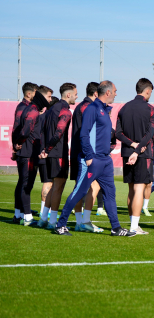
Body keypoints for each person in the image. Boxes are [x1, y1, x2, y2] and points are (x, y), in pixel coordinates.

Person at [54, 80, 134, 236]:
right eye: (115, 91)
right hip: (92, 160)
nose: (117, 94)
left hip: (105, 160)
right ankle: (60, 225)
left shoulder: (103, 110)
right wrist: (89, 156)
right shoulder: (92, 108)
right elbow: (84, 133)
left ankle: (116, 228)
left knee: (110, 193)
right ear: (108, 92)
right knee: (79, 191)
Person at [115, 78, 154, 235]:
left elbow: (118, 133)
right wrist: (138, 148)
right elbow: (150, 133)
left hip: (127, 153)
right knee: (139, 189)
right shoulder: (150, 109)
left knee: (131, 190)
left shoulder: (123, 108)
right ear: (147, 91)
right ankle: (134, 226)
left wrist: (132, 145)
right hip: (142, 154)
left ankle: (132, 224)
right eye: (151, 92)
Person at [38, 83, 76, 229]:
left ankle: (43, 218)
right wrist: (47, 149)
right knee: (58, 188)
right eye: (75, 93)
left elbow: (43, 131)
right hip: (57, 153)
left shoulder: (51, 109)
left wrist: (45, 150)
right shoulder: (65, 110)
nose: (76, 96)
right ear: (68, 95)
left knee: (53, 186)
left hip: (50, 152)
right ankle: (52, 221)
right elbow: (59, 132)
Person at [67, 82, 106, 221]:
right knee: (87, 188)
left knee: (86, 188)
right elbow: (88, 133)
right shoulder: (88, 107)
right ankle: (80, 221)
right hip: (85, 154)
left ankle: (82, 220)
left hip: (82, 152)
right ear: (96, 93)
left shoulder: (82, 106)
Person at [12, 88, 51, 225]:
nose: (50, 100)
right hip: (28, 153)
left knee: (24, 184)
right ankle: (27, 218)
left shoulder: (30, 109)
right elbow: (25, 130)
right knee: (26, 185)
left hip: (28, 152)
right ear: (41, 98)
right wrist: (19, 142)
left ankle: (20, 215)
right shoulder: (33, 110)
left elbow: (17, 128)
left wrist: (16, 144)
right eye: (49, 97)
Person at [37, 86, 54, 218]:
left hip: (42, 151)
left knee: (48, 182)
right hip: (46, 153)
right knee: (48, 182)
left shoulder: (41, 116)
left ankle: (45, 211)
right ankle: (44, 212)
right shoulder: (47, 117)